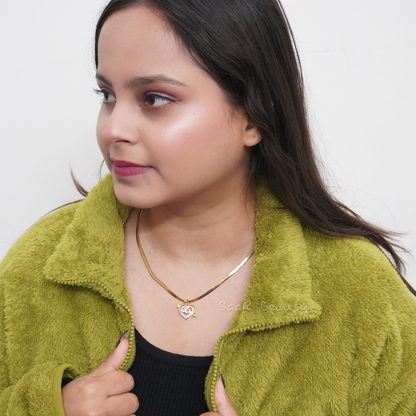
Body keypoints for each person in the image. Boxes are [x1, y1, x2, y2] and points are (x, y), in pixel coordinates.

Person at [1, 0, 416, 415]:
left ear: (254, 118)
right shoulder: (38, 267)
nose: (112, 128)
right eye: (107, 95)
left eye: (155, 98)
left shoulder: (358, 294)